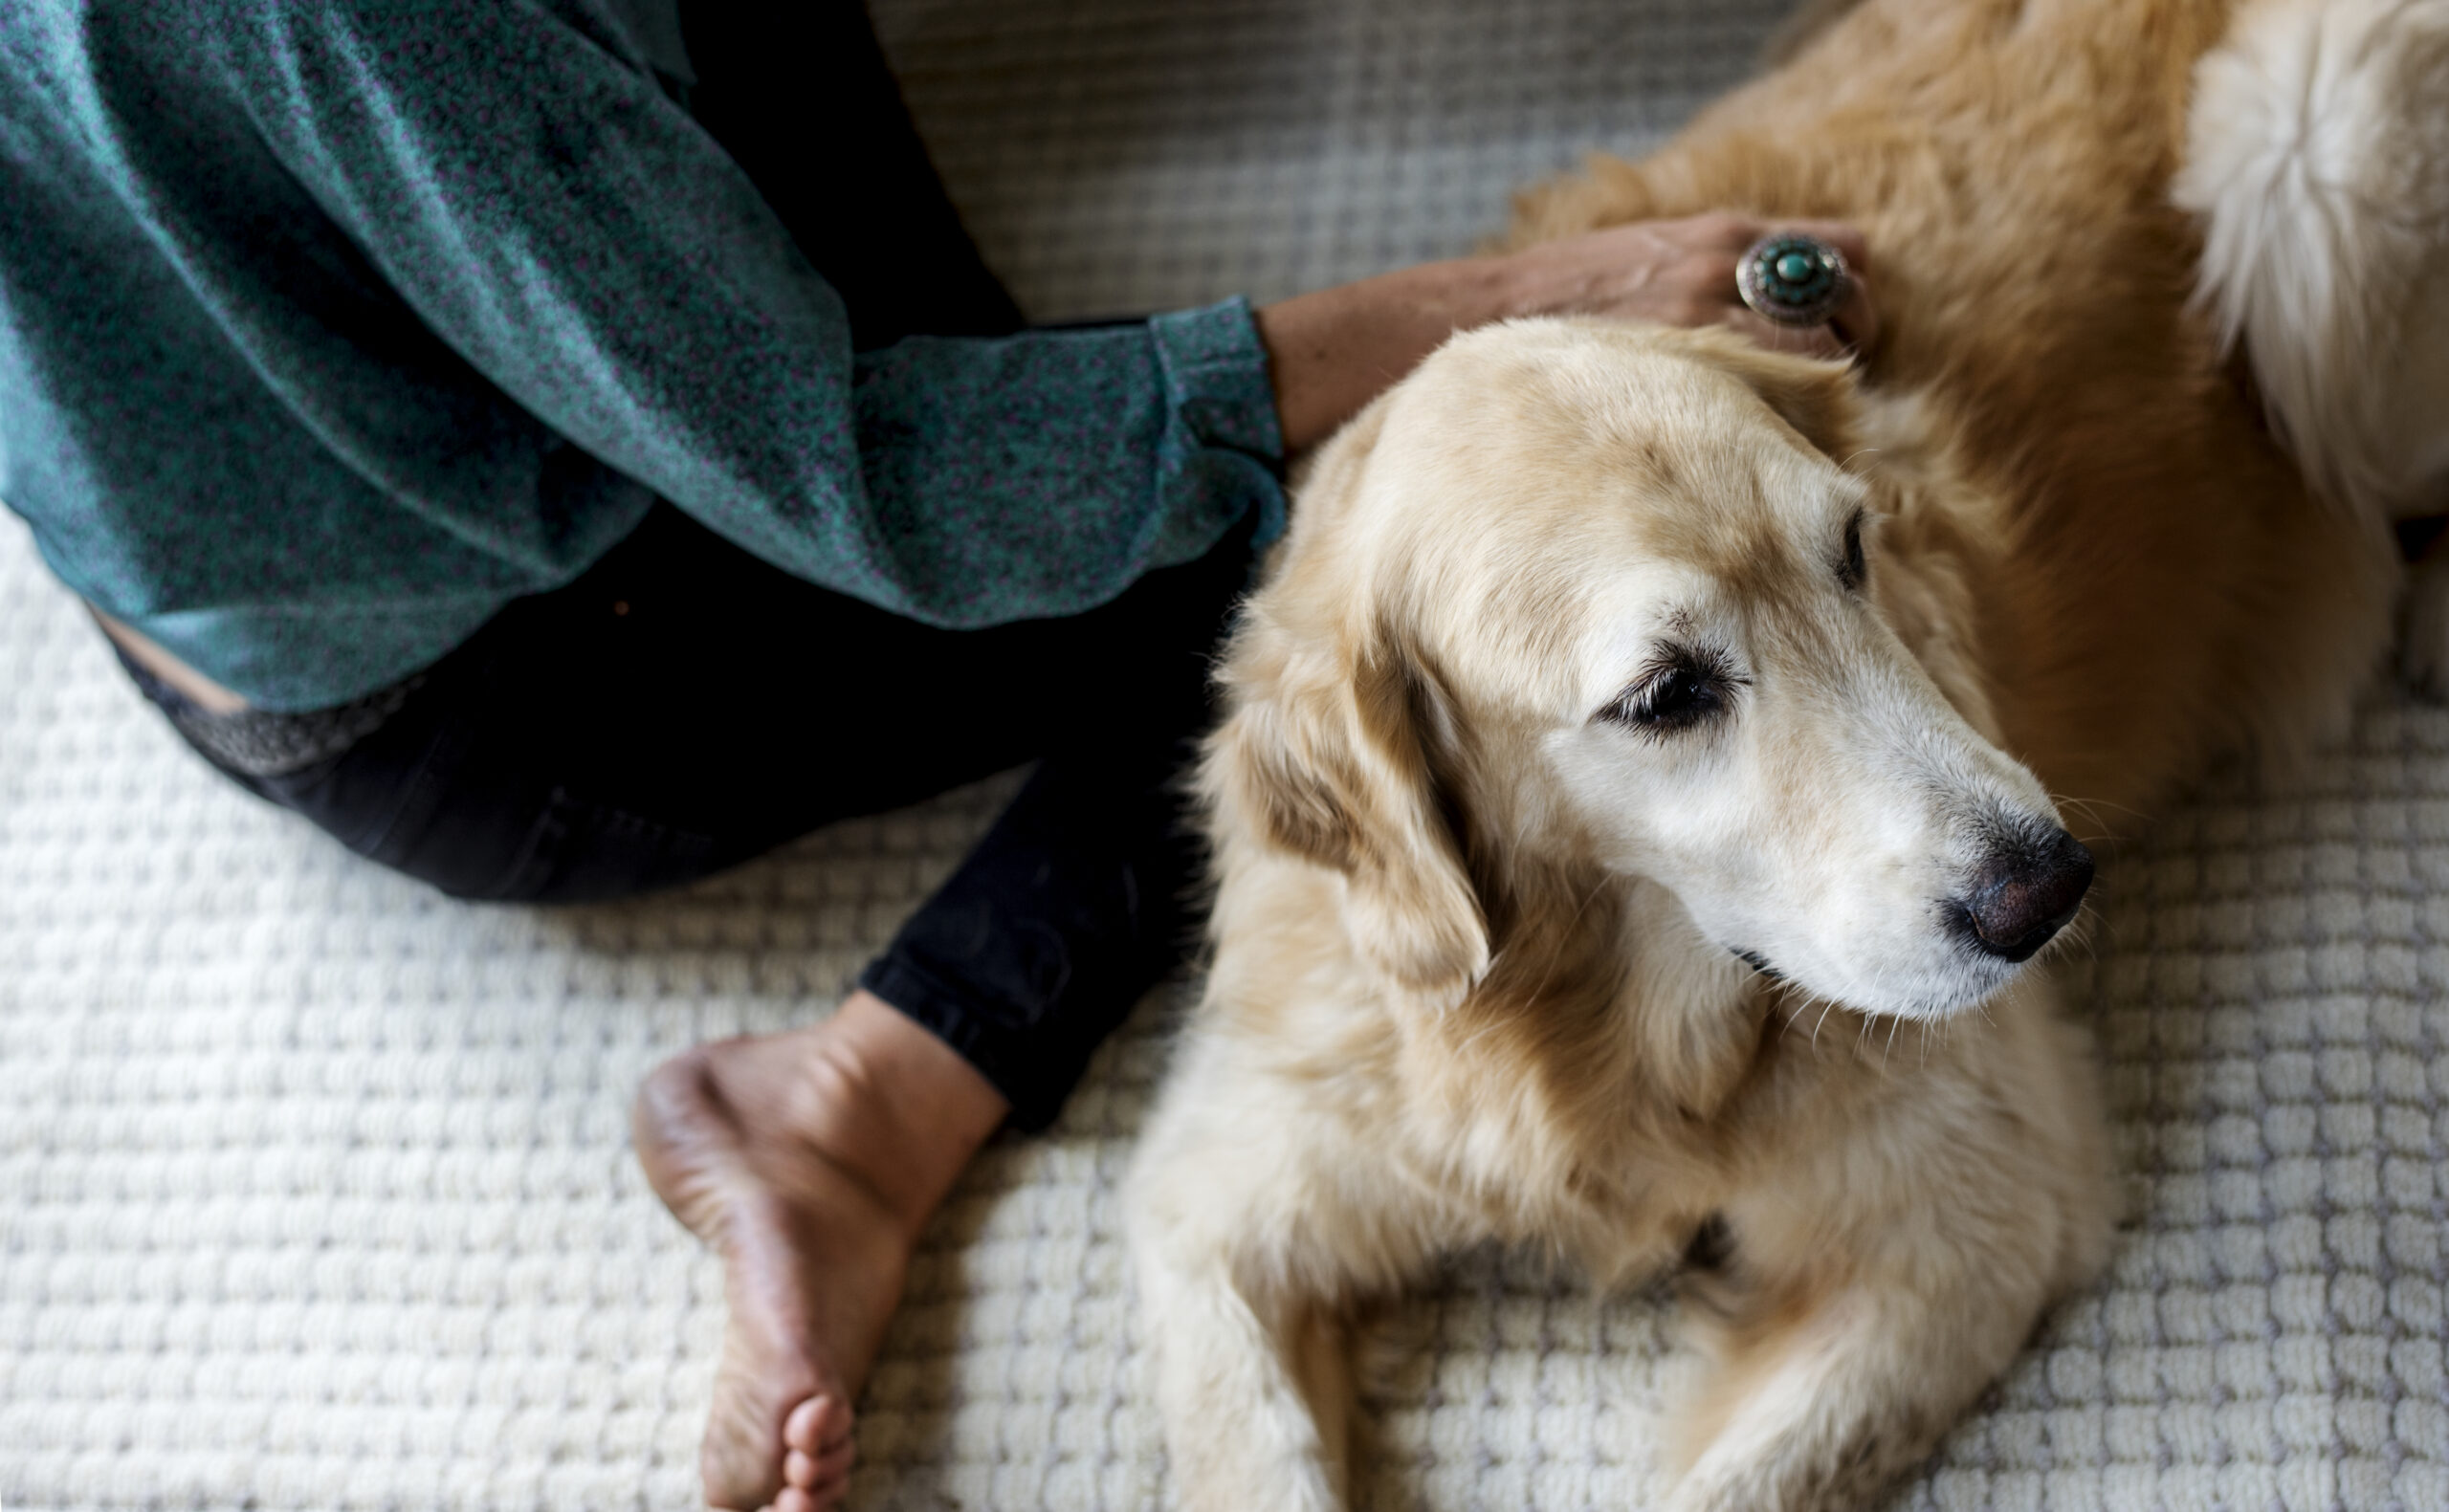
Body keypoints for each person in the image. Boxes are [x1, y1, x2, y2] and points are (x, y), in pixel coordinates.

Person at [0, 2, 1877, 1508]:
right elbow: (891, 482)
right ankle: (852, 1108)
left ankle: (703, 290)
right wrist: (1502, 310)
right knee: (1348, 579)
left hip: (203, 462)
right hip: (518, 673)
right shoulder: (367, 32)